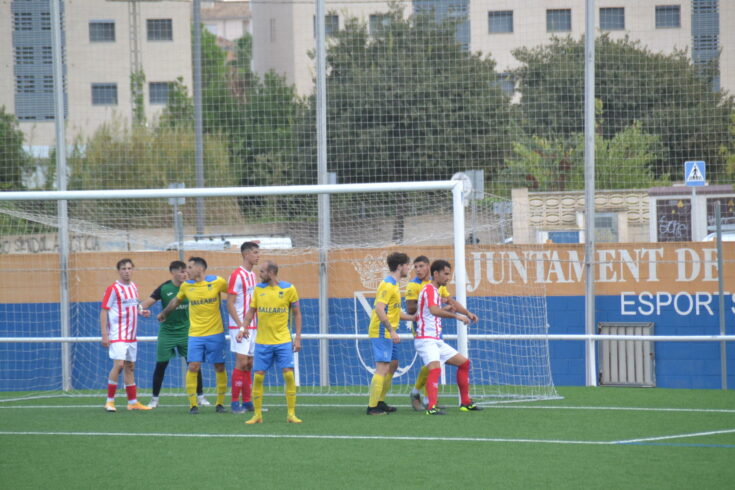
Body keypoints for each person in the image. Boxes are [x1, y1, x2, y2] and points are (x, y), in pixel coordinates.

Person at [405, 255, 477, 411]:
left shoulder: (437, 290)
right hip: (425, 339)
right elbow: (433, 310)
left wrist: (467, 313)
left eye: (449, 274)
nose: (448, 277)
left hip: (435, 340)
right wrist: (457, 316)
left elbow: (449, 303)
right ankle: (431, 406)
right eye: (446, 274)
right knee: (435, 368)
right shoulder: (429, 289)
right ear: (435, 274)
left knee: (464, 363)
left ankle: (465, 402)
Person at [158, 257, 228, 414]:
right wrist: (164, 313)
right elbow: (176, 301)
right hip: (195, 334)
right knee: (193, 366)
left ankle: (220, 403)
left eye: (189, 267)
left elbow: (234, 293)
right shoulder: (186, 286)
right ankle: (193, 404)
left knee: (219, 366)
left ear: (200, 269)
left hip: (216, 333)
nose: (186, 270)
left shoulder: (218, 282)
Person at [236, 260, 302, 424]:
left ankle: (291, 414)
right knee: (258, 378)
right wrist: (242, 329)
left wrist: (298, 337)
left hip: (283, 341)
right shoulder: (258, 289)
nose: (260, 274)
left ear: (271, 273)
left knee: (288, 375)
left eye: (263, 272)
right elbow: (251, 312)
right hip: (262, 342)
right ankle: (257, 415)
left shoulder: (289, 288)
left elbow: (297, 314)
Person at [139, 260, 209, 409]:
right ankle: (154, 399)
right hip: (167, 332)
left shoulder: (192, 286)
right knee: (161, 365)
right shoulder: (164, 288)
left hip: (187, 332)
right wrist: (141, 309)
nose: (185, 274)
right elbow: (145, 304)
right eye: (182, 271)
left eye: (186, 271)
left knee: (194, 364)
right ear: (173, 272)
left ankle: (201, 396)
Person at [100, 258, 152, 412]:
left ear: (133, 270)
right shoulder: (113, 288)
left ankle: (133, 402)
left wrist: (142, 311)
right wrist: (105, 333)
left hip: (131, 334)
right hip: (117, 334)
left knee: (130, 366)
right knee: (119, 365)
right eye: (123, 268)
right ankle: (110, 401)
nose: (127, 271)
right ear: (119, 271)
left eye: (129, 268)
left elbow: (134, 306)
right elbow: (104, 310)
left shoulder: (134, 287)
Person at [366, 252, 414, 416]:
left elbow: (394, 312)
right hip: (382, 330)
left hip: (388, 331)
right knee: (382, 367)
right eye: (407, 264)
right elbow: (379, 309)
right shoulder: (387, 285)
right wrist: (392, 331)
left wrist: (413, 317)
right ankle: (372, 407)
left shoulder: (394, 284)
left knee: (392, 365)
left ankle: (380, 401)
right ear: (400, 266)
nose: (409, 267)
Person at [226, 241, 260, 413]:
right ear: (246, 254)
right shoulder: (236, 275)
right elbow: (229, 303)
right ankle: (234, 403)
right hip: (239, 327)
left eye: (258, 252)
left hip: (253, 326)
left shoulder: (253, 276)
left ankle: (247, 401)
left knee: (249, 363)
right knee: (241, 362)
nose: (257, 255)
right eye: (254, 252)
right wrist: (241, 326)